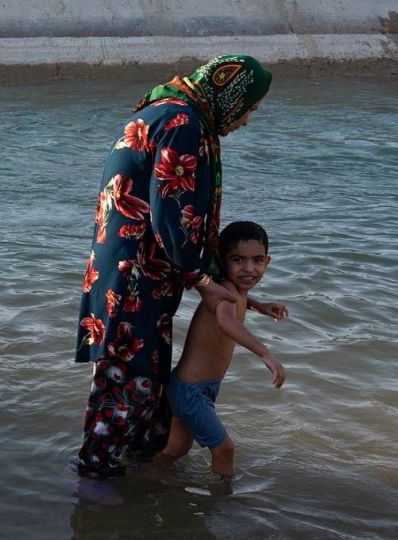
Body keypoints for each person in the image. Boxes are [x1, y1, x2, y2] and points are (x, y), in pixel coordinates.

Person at [73, 55, 281, 478]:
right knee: (126, 384)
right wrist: (203, 280)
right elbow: (170, 214)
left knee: (136, 382)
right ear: (231, 96)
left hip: (123, 272)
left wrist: (233, 291)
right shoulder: (184, 124)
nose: (246, 120)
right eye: (250, 108)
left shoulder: (163, 109)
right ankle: (93, 488)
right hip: (135, 280)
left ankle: (136, 484)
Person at [159, 221, 286, 479]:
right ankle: (224, 499)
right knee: (225, 448)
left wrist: (259, 305)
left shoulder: (233, 292)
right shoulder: (225, 293)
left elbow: (240, 300)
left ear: (267, 261)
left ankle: (144, 481)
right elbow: (227, 321)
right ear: (222, 260)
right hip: (191, 390)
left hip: (197, 387)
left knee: (177, 449)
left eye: (257, 260)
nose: (249, 269)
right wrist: (265, 353)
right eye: (238, 260)